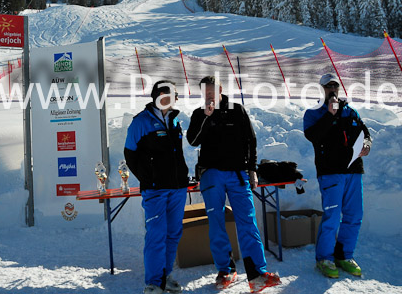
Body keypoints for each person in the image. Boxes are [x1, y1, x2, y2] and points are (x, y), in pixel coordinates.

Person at [187, 76, 281, 293]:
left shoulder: (237, 110)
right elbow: (193, 141)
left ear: (220, 89)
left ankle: (256, 273)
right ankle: (226, 269)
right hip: (211, 175)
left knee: (247, 220)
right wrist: (205, 117)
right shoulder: (198, 113)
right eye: (205, 93)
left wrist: (252, 169)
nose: (209, 96)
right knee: (217, 222)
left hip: (238, 175)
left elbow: (251, 140)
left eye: (212, 92)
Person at [124, 80, 190, 294]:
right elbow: (130, 154)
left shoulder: (174, 120)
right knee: (156, 234)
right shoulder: (140, 122)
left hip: (177, 187)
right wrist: (148, 177)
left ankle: (164, 275)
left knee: (173, 233)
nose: (177, 99)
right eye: (173, 94)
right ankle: (153, 283)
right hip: (155, 190)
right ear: (161, 95)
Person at [303, 73, 371, 278]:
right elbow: (312, 136)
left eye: (335, 86)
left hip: (353, 170)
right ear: (322, 89)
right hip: (330, 173)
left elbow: (365, 132)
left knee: (354, 216)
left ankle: (344, 255)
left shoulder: (350, 111)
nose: (332, 90)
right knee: (332, 216)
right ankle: (324, 258)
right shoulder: (313, 113)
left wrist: (367, 143)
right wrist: (330, 115)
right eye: (328, 86)